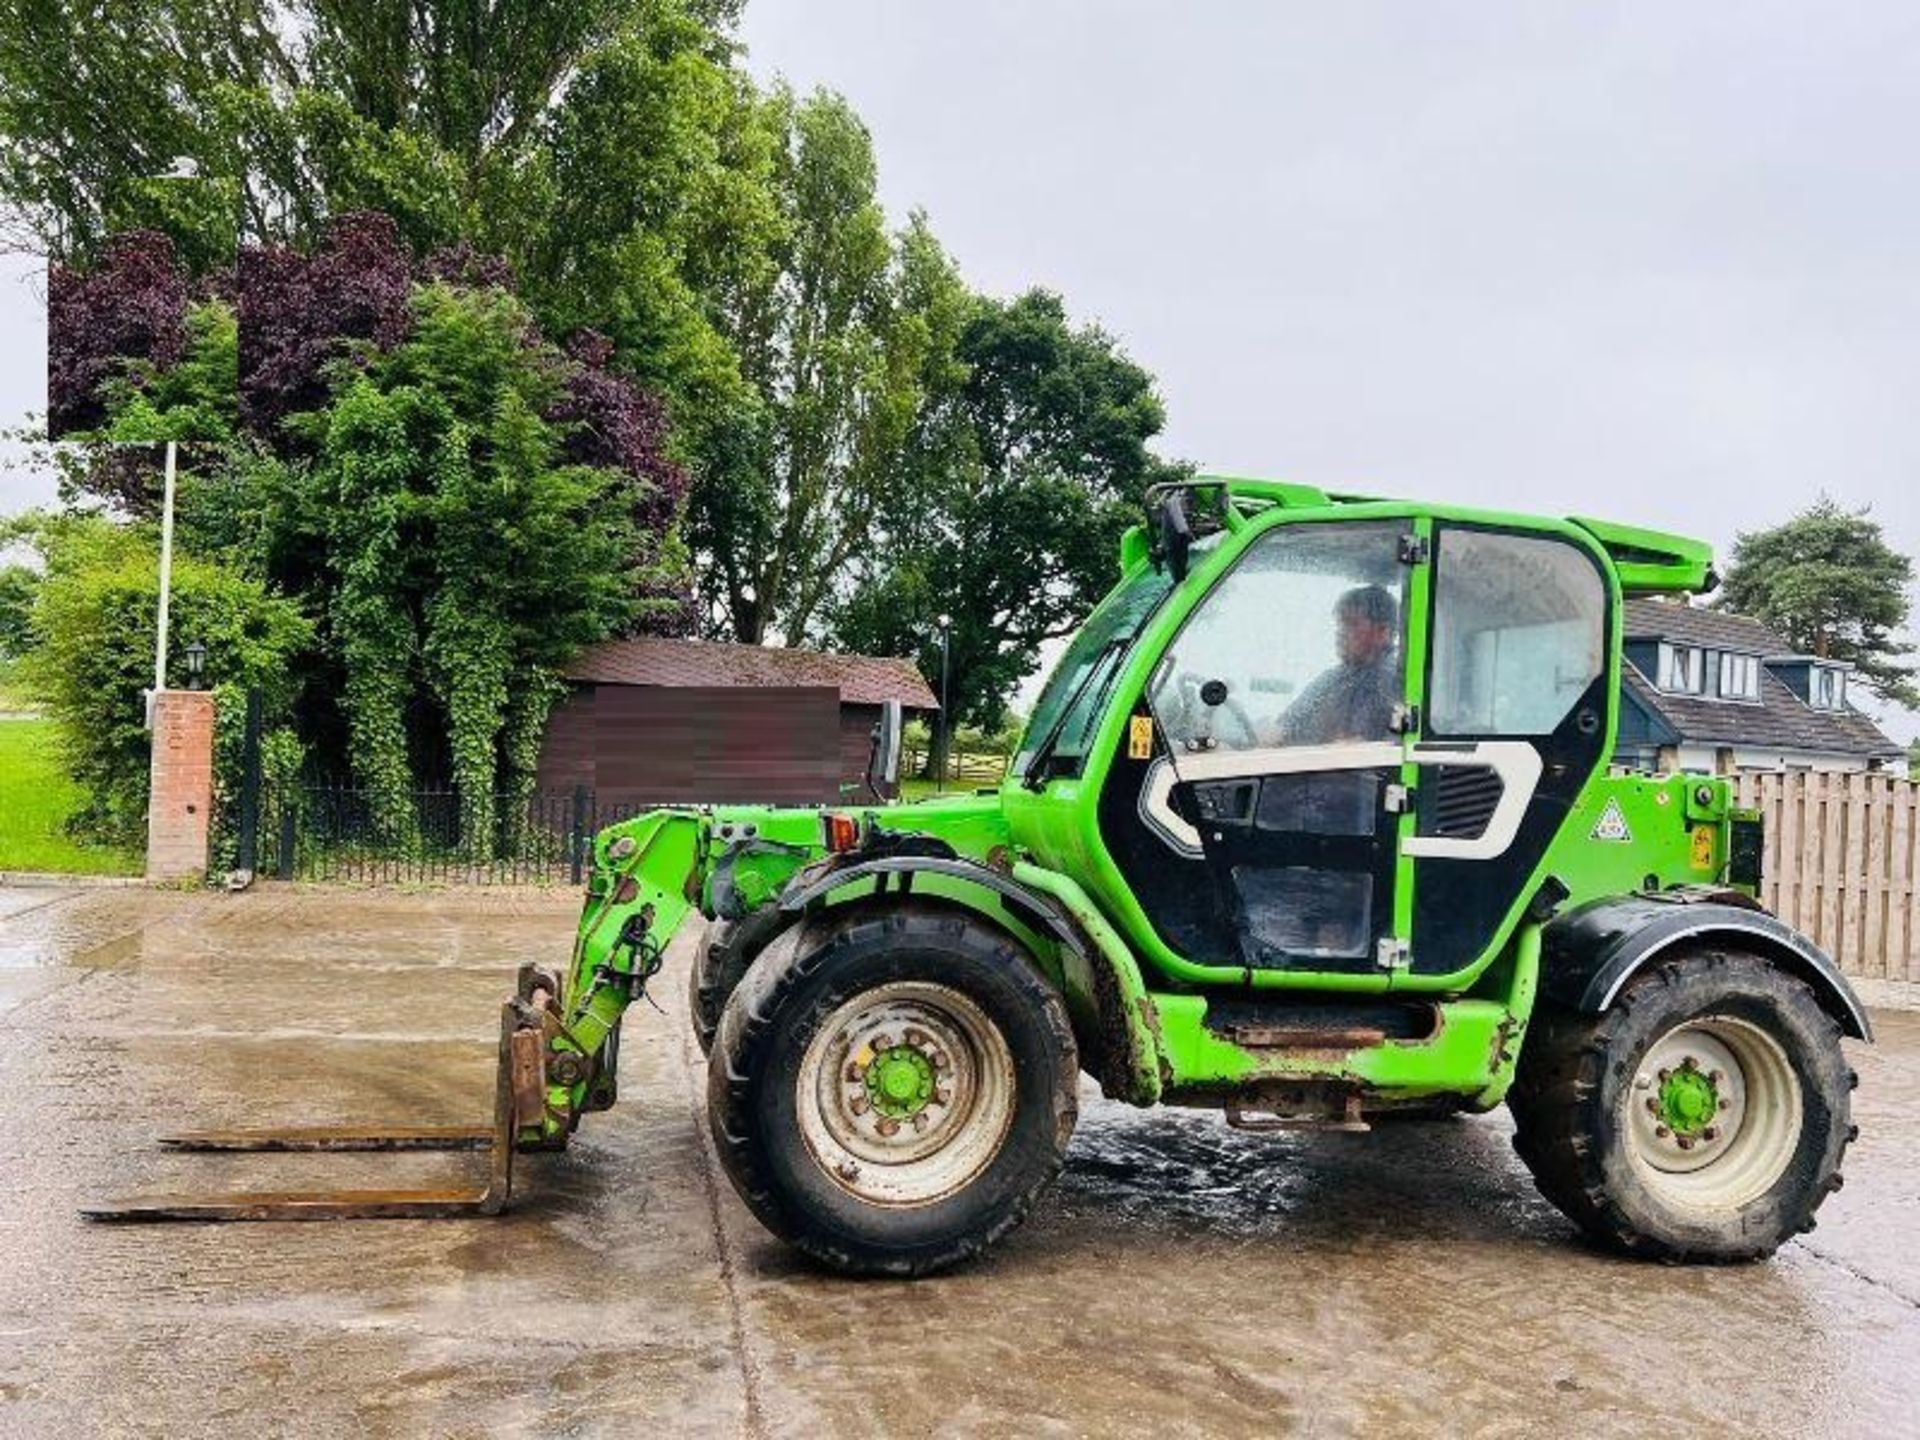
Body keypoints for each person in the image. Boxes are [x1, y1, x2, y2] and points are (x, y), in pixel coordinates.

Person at [1275, 584, 1400, 745]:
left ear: (1382, 632)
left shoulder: (1396, 684)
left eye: (1352, 624)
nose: (1340, 632)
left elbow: (1374, 747)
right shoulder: (1332, 680)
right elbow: (1285, 727)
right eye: (1340, 624)